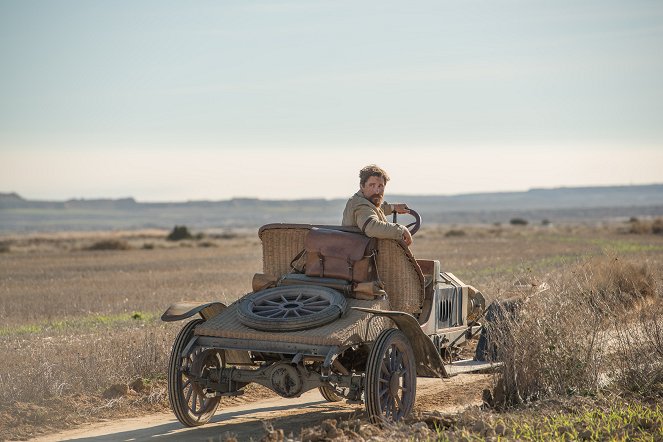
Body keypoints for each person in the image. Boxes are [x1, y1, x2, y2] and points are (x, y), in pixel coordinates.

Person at [342, 164, 413, 246]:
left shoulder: (361, 200)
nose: (377, 191)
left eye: (380, 186)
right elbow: (371, 227)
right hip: (361, 257)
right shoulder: (361, 205)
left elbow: (372, 210)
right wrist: (401, 230)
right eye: (372, 185)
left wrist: (393, 208)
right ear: (362, 186)